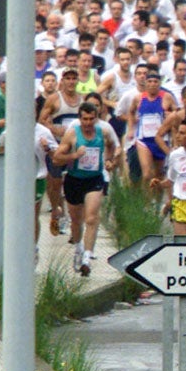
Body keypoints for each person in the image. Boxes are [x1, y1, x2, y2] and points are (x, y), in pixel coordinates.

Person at [51, 101, 122, 277]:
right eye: (85, 119)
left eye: (91, 119)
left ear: (96, 118)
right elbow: (57, 158)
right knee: (76, 220)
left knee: (91, 217)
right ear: (80, 118)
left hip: (94, 179)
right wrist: (75, 155)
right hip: (74, 179)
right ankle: (78, 249)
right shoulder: (72, 134)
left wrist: (109, 159)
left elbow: (113, 145)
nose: (88, 123)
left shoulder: (102, 132)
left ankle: (87, 258)